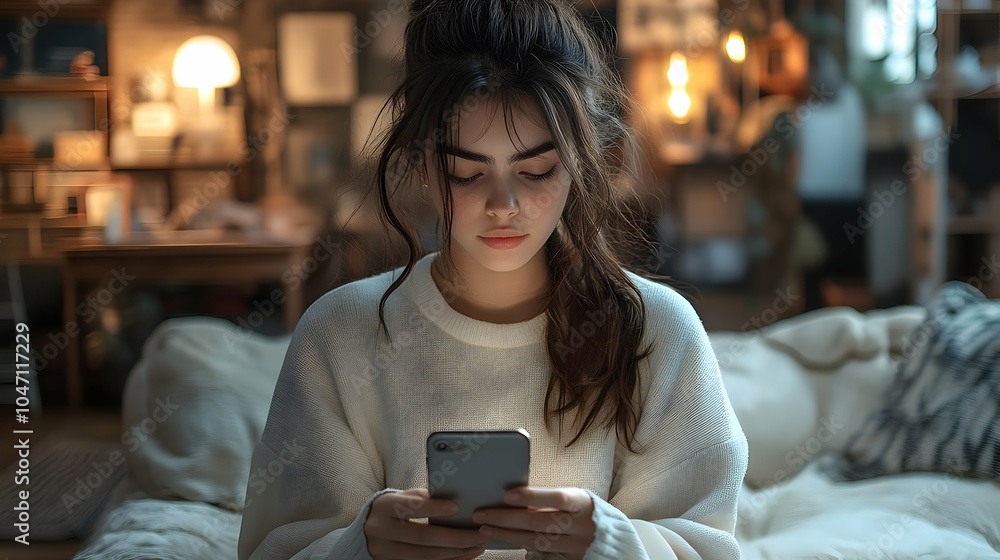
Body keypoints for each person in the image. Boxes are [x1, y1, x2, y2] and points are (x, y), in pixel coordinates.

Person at [236, 1, 749, 559]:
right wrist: (362, 546)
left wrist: (611, 542)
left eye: (535, 171)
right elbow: (274, 550)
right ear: (423, 165)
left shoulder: (657, 332)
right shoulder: (339, 336)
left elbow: (710, 548)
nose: (503, 205)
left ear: (580, 163)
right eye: (468, 172)